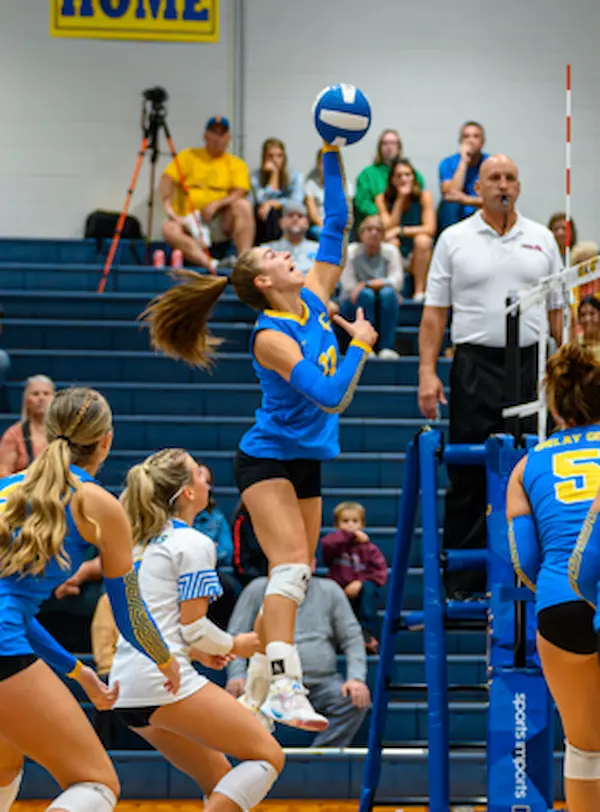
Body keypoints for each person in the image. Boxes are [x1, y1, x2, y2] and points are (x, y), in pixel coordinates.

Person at [141, 141, 378, 731]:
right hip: (266, 458)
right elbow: (331, 396)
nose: (286, 253)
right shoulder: (271, 337)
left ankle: (260, 689)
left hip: (307, 457)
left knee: (296, 580)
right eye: (274, 253)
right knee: (292, 567)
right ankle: (286, 685)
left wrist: (329, 150)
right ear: (264, 280)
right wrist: (363, 345)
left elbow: (337, 225)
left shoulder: (315, 301)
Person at [0, 387, 179, 812]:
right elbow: (130, 614)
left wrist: (78, 671)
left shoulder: (5, 488)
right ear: (106, 440)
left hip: (7, 640)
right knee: (95, 784)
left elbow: (14, 611)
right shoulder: (97, 503)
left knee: (5, 764)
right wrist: (167, 660)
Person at [418, 154, 563, 600]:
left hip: (531, 366)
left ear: (519, 186)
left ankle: (531, 575)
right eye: (493, 178)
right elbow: (435, 313)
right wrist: (427, 371)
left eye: (510, 177)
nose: (502, 184)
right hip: (474, 364)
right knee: (469, 472)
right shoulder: (454, 239)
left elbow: (559, 315)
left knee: (532, 468)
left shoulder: (542, 238)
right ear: (477, 188)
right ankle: (463, 582)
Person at [108, 449, 284, 810]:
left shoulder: (143, 543)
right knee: (268, 755)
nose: (207, 480)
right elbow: (195, 627)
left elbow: (159, 619)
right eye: (200, 476)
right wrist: (238, 643)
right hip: (162, 679)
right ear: (188, 492)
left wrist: (201, 651)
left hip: (126, 684)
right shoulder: (194, 542)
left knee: (220, 781)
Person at [507, 344, 600, 812]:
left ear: (556, 406)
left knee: (585, 749)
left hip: (561, 603)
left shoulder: (527, 464)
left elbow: (523, 559)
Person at [225, 562, 371, 747]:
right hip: (267, 681)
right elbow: (236, 635)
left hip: (321, 683)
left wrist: (356, 678)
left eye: (304, 558)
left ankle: (317, 760)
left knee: (353, 700)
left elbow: (351, 637)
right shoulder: (256, 589)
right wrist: (237, 674)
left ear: (314, 563)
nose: (299, 564)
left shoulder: (330, 590)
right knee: (238, 701)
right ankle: (261, 756)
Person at [160, 116, 255, 268]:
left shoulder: (236, 164)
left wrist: (216, 205)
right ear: (205, 136)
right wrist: (169, 209)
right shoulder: (188, 156)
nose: (218, 138)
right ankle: (211, 264)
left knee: (243, 206)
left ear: (228, 138)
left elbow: (240, 191)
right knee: (168, 228)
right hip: (188, 219)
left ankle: (245, 263)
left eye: (222, 134)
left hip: (219, 220)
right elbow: (167, 179)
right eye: (214, 133)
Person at [321, 501, 388, 653]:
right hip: (339, 588)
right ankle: (331, 637)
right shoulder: (335, 543)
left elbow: (380, 573)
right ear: (337, 525)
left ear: (362, 525)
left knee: (369, 588)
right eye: (345, 521)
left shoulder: (370, 549)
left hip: (360, 593)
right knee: (326, 588)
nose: (350, 525)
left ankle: (367, 634)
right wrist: (348, 536)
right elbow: (327, 545)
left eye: (355, 521)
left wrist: (360, 582)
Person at [340, 215, 404, 359]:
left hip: (381, 300)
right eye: (369, 229)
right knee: (366, 295)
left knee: (388, 294)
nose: (373, 233)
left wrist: (367, 284)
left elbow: (397, 281)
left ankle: (387, 347)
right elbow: (349, 287)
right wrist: (372, 287)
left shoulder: (391, 251)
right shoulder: (351, 251)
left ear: (383, 235)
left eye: (378, 230)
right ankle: (365, 346)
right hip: (353, 305)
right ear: (361, 234)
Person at [375, 159, 435, 300]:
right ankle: (394, 291)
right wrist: (400, 199)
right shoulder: (381, 198)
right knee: (391, 242)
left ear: (413, 177)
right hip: (396, 250)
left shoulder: (424, 196)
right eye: (399, 175)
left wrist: (400, 230)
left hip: (417, 253)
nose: (404, 179)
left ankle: (419, 292)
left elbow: (430, 228)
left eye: (407, 175)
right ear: (392, 179)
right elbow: (387, 228)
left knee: (423, 240)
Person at [354, 129, 426, 226]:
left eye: (393, 143)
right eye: (385, 143)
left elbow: (419, 187)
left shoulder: (409, 171)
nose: (389, 147)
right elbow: (362, 203)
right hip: (378, 220)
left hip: (406, 218)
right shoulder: (367, 174)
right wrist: (383, 214)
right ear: (379, 147)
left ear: (399, 147)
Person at [437, 121, 488, 233]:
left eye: (476, 136)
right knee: (449, 205)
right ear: (460, 142)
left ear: (483, 142)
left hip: (482, 213)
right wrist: (464, 161)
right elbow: (450, 195)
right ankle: (450, 243)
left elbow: (495, 199)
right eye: (466, 136)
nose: (471, 140)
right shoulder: (447, 163)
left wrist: (465, 199)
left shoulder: (491, 163)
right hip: (456, 216)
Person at [251, 138, 305, 244]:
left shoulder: (295, 175)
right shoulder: (255, 176)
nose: (275, 160)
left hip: (286, 215)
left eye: (279, 155)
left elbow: (296, 202)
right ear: (264, 157)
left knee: (275, 211)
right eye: (270, 156)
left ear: (284, 158)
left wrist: (273, 203)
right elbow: (260, 200)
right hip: (262, 219)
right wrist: (274, 176)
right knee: (268, 211)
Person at [0, 374, 55, 477]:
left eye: (46, 393)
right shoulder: (14, 434)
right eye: (35, 394)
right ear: (26, 400)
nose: (41, 398)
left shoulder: (64, 431)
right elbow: (3, 472)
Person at [261, 201, 318, 276]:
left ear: (307, 223)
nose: (295, 219)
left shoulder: (319, 249)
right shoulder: (266, 250)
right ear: (281, 222)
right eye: (290, 215)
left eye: (300, 216)